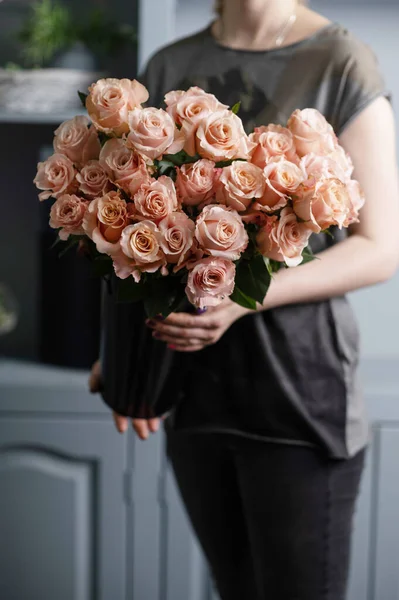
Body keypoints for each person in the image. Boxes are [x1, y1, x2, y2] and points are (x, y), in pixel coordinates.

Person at [90, 0, 399, 598]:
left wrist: (244, 301)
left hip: (298, 405)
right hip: (192, 396)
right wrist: (122, 354)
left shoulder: (340, 59)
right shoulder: (171, 62)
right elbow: (130, 231)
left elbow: (381, 247)